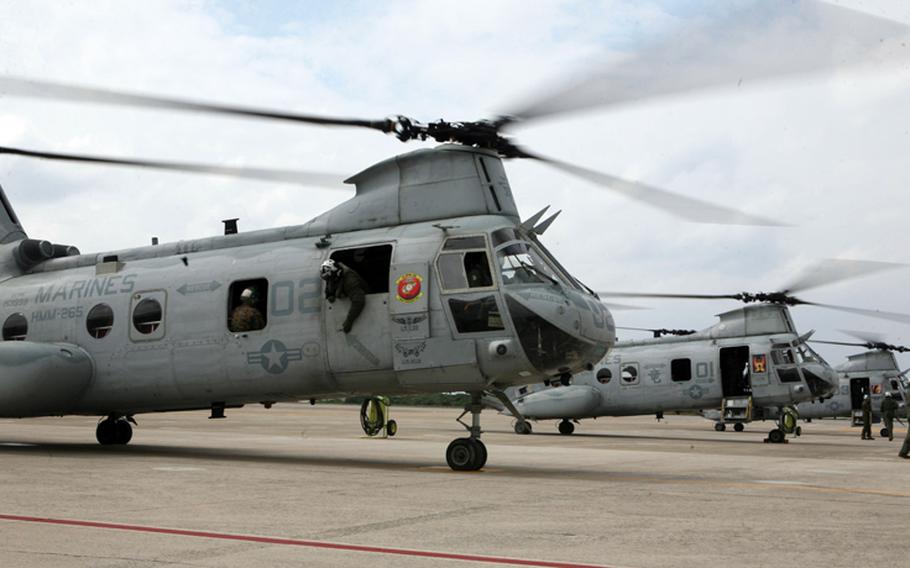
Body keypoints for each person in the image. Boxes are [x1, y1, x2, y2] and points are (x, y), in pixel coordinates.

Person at [320, 259, 368, 334]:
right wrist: (330, 295)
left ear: (335, 274)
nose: (329, 280)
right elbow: (330, 287)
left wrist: (349, 321)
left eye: (329, 278)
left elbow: (359, 300)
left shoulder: (349, 280)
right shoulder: (334, 277)